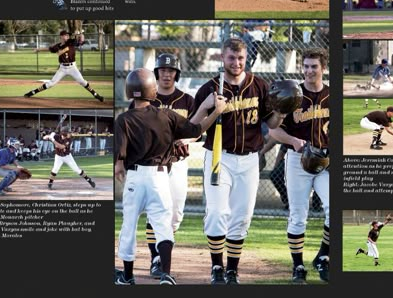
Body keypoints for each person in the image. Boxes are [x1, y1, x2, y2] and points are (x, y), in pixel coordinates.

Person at [115, 68, 223, 286]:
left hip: (135, 177)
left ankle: (127, 276)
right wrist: (216, 111)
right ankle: (166, 274)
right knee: (163, 225)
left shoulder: (123, 119)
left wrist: (120, 167)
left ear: (129, 91)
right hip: (160, 177)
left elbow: (119, 161)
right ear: (153, 91)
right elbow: (196, 130)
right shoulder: (166, 116)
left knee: (129, 225)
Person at [192, 37, 279, 285]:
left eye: (240, 58)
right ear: (222, 58)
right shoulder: (210, 88)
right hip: (220, 156)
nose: (237, 63)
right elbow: (194, 128)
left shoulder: (259, 85)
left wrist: (283, 110)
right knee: (218, 212)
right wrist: (210, 107)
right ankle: (216, 267)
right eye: (231, 57)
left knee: (241, 216)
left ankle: (232, 270)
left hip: (250, 159)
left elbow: (272, 124)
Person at [267, 48, 331, 283]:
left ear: (323, 67)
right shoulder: (293, 94)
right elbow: (274, 129)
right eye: (305, 66)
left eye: (314, 66)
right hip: (298, 159)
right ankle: (298, 266)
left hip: (326, 158)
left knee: (334, 209)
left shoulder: (332, 94)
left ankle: (323, 257)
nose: (309, 70)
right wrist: (293, 141)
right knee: (298, 215)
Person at [137, 53, 197, 278]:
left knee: (175, 214)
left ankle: (163, 253)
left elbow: (197, 131)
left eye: (171, 71)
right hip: (154, 163)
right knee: (156, 211)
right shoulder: (147, 100)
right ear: (156, 74)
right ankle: (156, 259)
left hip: (179, 162)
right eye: (162, 70)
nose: (166, 74)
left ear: (177, 74)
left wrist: (187, 140)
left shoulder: (187, 100)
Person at [23, 30, 104, 102]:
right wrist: (38, 49)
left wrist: (80, 34)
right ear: (61, 36)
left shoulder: (71, 42)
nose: (67, 36)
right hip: (62, 68)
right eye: (65, 35)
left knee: (82, 81)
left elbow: (81, 41)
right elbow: (49, 48)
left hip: (72, 68)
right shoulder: (57, 46)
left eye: (68, 35)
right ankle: (32, 92)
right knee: (51, 83)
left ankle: (96, 95)